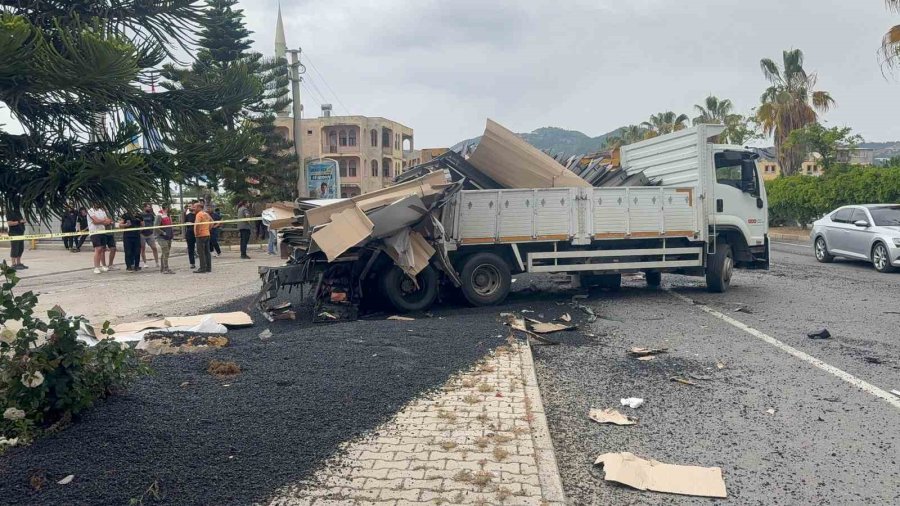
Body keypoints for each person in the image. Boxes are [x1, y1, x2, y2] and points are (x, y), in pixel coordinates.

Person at [87, 203, 115, 274]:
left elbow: (108, 221)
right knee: (98, 249)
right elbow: (95, 221)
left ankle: (103, 266)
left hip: (102, 231)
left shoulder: (102, 211)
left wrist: (102, 221)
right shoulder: (90, 211)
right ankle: (96, 267)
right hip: (94, 232)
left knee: (103, 249)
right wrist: (103, 221)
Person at [155, 204, 175, 274]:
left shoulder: (167, 215)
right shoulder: (159, 215)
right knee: (165, 252)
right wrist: (163, 233)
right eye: (170, 207)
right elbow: (156, 227)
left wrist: (172, 235)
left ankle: (163, 268)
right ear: (166, 208)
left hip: (168, 237)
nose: (171, 209)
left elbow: (170, 226)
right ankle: (165, 268)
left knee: (165, 253)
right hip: (162, 237)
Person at [193, 203, 212, 273]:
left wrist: (197, 233)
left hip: (200, 235)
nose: (193, 208)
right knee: (207, 252)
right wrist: (208, 229)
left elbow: (197, 224)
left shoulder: (199, 214)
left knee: (201, 252)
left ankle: (202, 268)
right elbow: (212, 222)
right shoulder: (206, 214)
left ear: (199, 207)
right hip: (207, 234)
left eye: (194, 207)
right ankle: (208, 268)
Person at [140, 203, 159, 268]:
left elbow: (154, 222)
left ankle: (157, 262)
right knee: (143, 249)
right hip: (142, 234)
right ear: (144, 208)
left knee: (154, 248)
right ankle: (145, 263)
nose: (149, 208)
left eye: (150, 207)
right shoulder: (141, 215)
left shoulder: (151, 215)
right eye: (148, 207)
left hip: (150, 233)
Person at [183, 203, 197, 269]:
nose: (189, 207)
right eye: (188, 206)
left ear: (194, 207)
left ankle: (204, 262)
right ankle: (192, 263)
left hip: (198, 233)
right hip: (190, 234)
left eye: (190, 206)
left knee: (201, 248)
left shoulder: (198, 214)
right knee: (190, 249)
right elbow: (184, 223)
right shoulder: (187, 215)